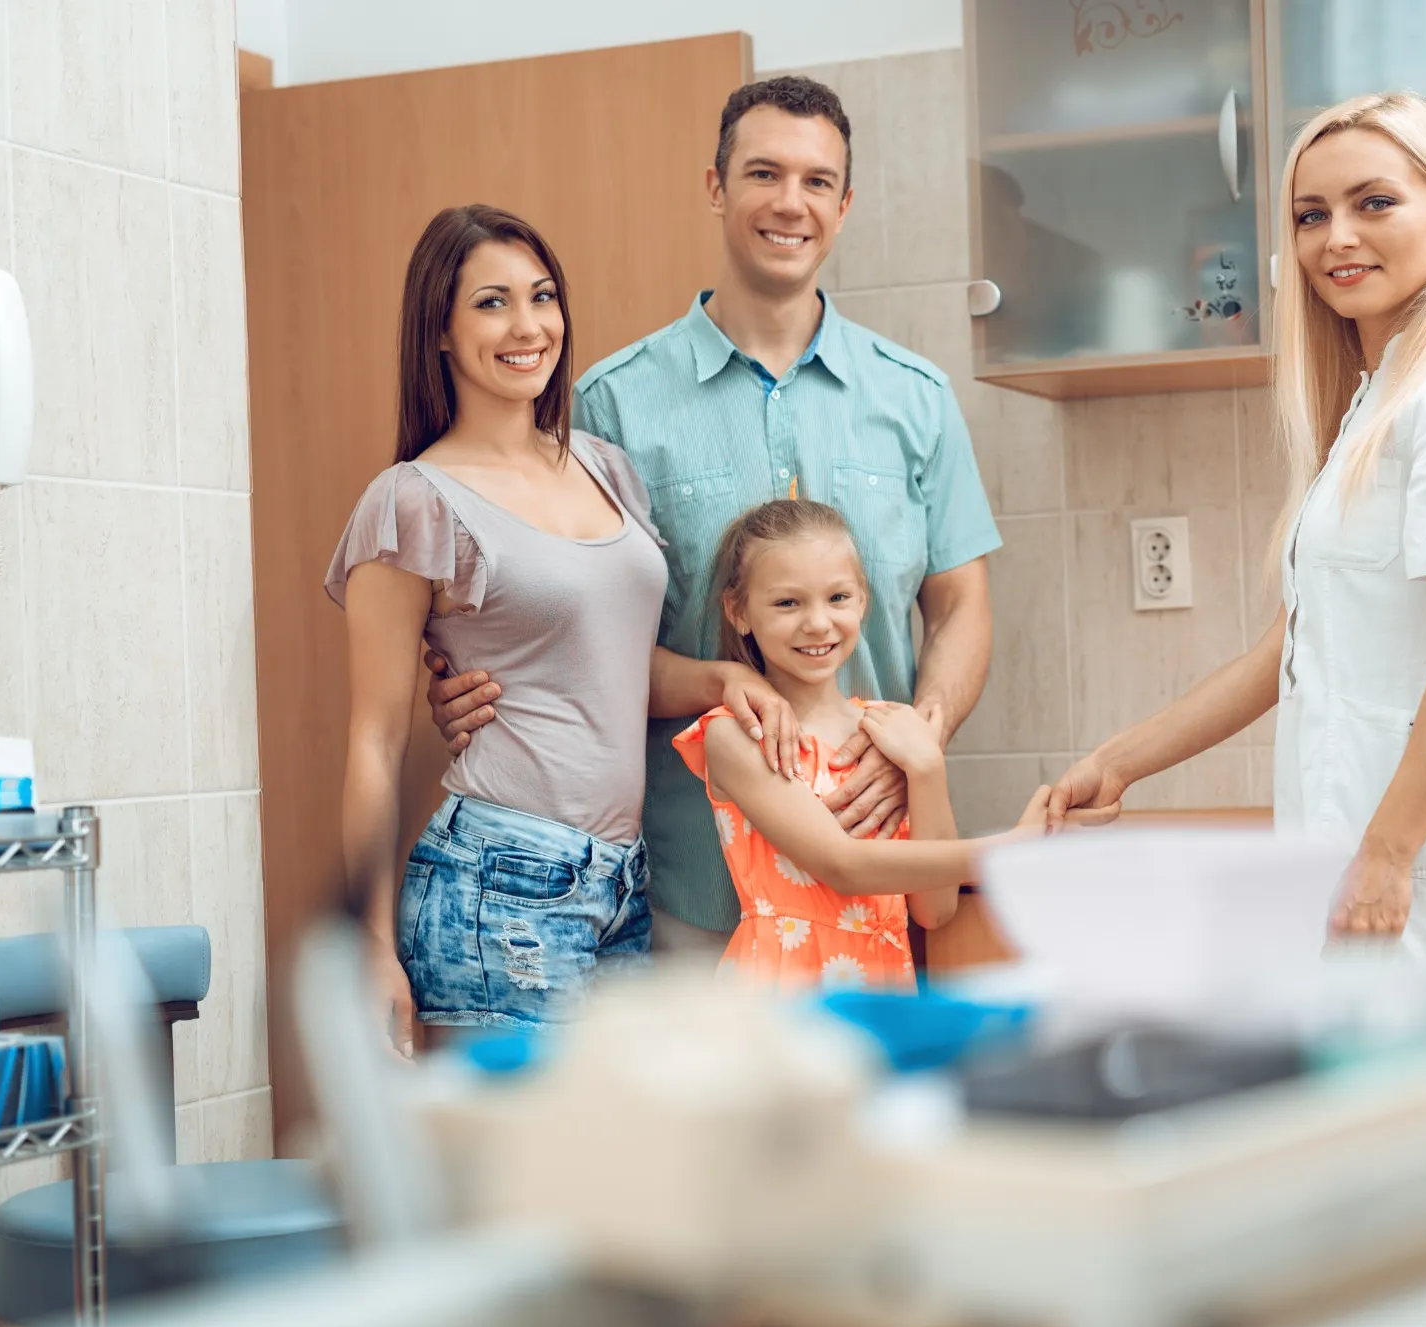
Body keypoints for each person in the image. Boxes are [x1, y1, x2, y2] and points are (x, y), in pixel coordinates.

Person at [426, 76, 1000, 963]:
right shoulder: (611, 407)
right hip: (690, 887)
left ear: (844, 205)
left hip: (880, 885)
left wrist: (915, 741)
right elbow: (588, 645)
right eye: (764, 173)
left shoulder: (916, 399)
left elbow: (962, 605)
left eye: (817, 181)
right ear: (716, 187)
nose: (790, 203)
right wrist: (473, 670)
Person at [1047, 93, 1426, 956]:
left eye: (1374, 202)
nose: (1337, 238)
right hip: (1350, 864)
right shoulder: (1376, 405)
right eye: (1311, 215)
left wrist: (1389, 855)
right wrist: (1121, 760)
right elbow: (1295, 645)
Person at [329, 205, 798, 1050]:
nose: (528, 326)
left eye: (542, 297)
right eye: (492, 303)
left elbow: (615, 668)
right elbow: (374, 741)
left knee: (606, 1134)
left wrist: (723, 678)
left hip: (620, 879)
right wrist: (369, 944)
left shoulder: (604, 468)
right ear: (439, 332)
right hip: (496, 880)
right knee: (515, 1139)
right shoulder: (413, 501)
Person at [672, 499, 1047, 993]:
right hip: (781, 996)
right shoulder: (738, 734)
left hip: (881, 992)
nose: (817, 623)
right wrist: (1006, 852)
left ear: (863, 601)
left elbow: (934, 909)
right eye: (787, 603)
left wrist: (927, 768)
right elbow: (843, 866)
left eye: (837, 597)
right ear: (738, 611)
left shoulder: (889, 731)